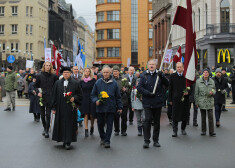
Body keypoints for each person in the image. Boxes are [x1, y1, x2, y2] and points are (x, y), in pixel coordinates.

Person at [137, 60, 169, 148]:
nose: (151, 66)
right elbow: (139, 87)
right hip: (147, 102)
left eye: (153, 64)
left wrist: (162, 76)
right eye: (150, 64)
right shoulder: (144, 75)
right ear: (147, 66)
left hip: (157, 102)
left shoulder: (159, 74)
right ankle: (146, 140)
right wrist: (147, 93)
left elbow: (167, 84)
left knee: (156, 122)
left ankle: (156, 140)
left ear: (156, 66)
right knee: (147, 120)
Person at [91, 65, 123, 148]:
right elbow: (93, 95)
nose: (105, 74)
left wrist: (119, 107)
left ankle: (107, 140)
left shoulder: (114, 83)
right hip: (100, 107)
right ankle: (102, 137)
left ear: (110, 73)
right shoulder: (98, 82)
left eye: (107, 72)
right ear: (102, 73)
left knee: (109, 124)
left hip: (111, 107)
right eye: (104, 72)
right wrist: (96, 101)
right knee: (100, 124)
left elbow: (118, 96)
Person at [51, 67, 83, 150]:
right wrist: (53, 107)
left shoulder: (76, 83)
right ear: (62, 73)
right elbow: (54, 95)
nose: (66, 74)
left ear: (70, 73)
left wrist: (74, 98)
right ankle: (62, 139)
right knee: (61, 123)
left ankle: (68, 141)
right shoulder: (57, 83)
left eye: (67, 72)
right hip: (60, 107)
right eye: (64, 72)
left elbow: (80, 95)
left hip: (70, 108)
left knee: (69, 124)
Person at [35, 62, 58, 138]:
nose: (48, 67)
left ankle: (47, 130)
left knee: (48, 115)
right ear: (44, 66)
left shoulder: (54, 76)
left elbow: (56, 86)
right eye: (46, 65)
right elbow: (35, 86)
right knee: (42, 115)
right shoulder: (39, 75)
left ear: (51, 67)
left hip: (50, 97)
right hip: (42, 97)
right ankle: (44, 128)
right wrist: (38, 92)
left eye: (49, 66)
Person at [169, 62, 190, 137]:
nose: (179, 68)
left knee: (185, 115)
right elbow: (170, 88)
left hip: (185, 99)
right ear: (176, 68)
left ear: (183, 67)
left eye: (180, 67)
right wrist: (170, 99)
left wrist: (188, 92)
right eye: (177, 67)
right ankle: (175, 131)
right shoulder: (172, 76)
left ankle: (183, 129)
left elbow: (191, 87)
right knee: (175, 115)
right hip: (175, 99)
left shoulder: (186, 76)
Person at [195, 68, 216, 137]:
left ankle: (211, 131)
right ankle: (203, 131)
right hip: (202, 100)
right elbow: (196, 93)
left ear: (208, 73)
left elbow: (214, 89)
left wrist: (213, 92)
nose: (205, 73)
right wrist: (196, 102)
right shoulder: (198, 81)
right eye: (204, 72)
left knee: (211, 117)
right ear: (202, 73)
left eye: (207, 72)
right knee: (203, 117)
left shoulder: (212, 81)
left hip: (210, 100)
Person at [113, 65, 129, 136]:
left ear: (119, 72)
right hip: (114, 100)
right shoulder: (111, 79)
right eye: (114, 71)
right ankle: (116, 130)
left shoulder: (124, 79)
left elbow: (129, 89)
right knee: (116, 116)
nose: (115, 73)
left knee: (124, 117)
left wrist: (126, 90)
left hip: (123, 100)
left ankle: (123, 130)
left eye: (116, 71)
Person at [80, 68, 96, 137]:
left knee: (91, 115)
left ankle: (92, 126)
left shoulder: (93, 80)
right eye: (86, 71)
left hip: (91, 98)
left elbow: (95, 90)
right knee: (85, 114)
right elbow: (79, 90)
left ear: (90, 72)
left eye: (88, 71)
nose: (87, 72)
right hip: (84, 99)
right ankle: (86, 129)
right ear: (84, 72)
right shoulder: (81, 81)